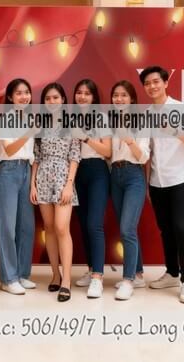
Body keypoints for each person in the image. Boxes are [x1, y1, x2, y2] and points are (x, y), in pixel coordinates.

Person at [140, 65, 184, 304]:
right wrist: (148, 183)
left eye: (156, 81)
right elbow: (149, 151)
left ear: (165, 83)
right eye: (147, 83)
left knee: (181, 229)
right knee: (165, 229)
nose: (152, 86)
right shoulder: (146, 114)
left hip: (180, 178)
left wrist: (172, 129)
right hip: (157, 180)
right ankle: (172, 273)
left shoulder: (182, 109)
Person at [30, 83, 81, 302]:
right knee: (49, 228)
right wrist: (32, 185)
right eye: (48, 98)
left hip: (62, 178)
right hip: (42, 178)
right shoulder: (39, 125)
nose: (52, 102)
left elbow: (75, 156)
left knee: (62, 227)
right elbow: (36, 157)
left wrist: (69, 184)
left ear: (63, 100)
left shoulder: (71, 124)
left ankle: (67, 280)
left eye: (56, 97)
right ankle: (55, 275)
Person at [0, 78, 37, 295]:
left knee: (26, 227)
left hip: (26, 171)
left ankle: (21, 274)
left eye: (26, 92)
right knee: (7, 228)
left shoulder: (30, 118)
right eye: (18, 93)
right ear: (10, 97)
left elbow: (32, 153)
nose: (23, 96)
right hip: (9, 171)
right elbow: (9, 149)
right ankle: (8, 278)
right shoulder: (5, 119)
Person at [109, 80, 149, 300]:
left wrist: (130, 141)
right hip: (115, 175)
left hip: (134, 175)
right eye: (116, 95)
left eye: (124, 95)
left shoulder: (141, 121)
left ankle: (128, 280)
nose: (119, 99)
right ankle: (138, 273)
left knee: (127, 229)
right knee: (127, 228)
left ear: (132, 98)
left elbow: (144, 157)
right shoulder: (111, 121)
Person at [72, 79, 111, 298]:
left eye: (87, 93)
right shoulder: (70, 119)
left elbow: (107, 151)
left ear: (94, 97)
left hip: (97, 171)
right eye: (79, 92)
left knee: (95, 224)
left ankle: (98, 276)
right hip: (77, 172)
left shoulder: (101, 118)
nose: (83, 96)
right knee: (84, 224)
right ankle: (91, 269)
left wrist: (85, 138)